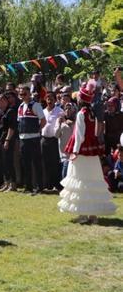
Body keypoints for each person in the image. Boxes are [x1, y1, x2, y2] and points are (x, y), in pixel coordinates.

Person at [58, 80, 116, 224]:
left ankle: (84, 214)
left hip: (83, 151)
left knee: (81, 180)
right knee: (93, 180)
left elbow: (79, 135)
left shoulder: (80, 114)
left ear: (81, 99)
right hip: (92, 152)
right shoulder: (91, 112)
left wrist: (75, 151)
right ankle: (93, 215)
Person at [17, 85, 46, 195]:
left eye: (24, 94)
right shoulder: (20, 107)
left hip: (34, 138)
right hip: (23, 139)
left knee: (37, 163)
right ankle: (28, 186)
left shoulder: (36, 105)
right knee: (26, 163)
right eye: (21, 94)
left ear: (29, 93)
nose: (22, 96)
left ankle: (39, 187)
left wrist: (37, 131)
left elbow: (43, 121)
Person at [40, 91, 64, 192]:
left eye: (51, 98)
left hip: (54, 140)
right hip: (44, 139)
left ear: (55, 99)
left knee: (55, 163)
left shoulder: (59, 111)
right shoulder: (43, 111)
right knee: (45, 163)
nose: (49, 100)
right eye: (47, 98)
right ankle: (47, 185)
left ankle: (56, 185)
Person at [0, 93, 18, 192]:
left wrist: (7, 140)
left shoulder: (10, 111)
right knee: (3, 162)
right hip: (1, 138)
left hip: (7, 139)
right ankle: (6, 182)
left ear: (4, 101)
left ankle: (13, 184)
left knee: (8, 162)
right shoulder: (2, 112)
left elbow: (11, 127)